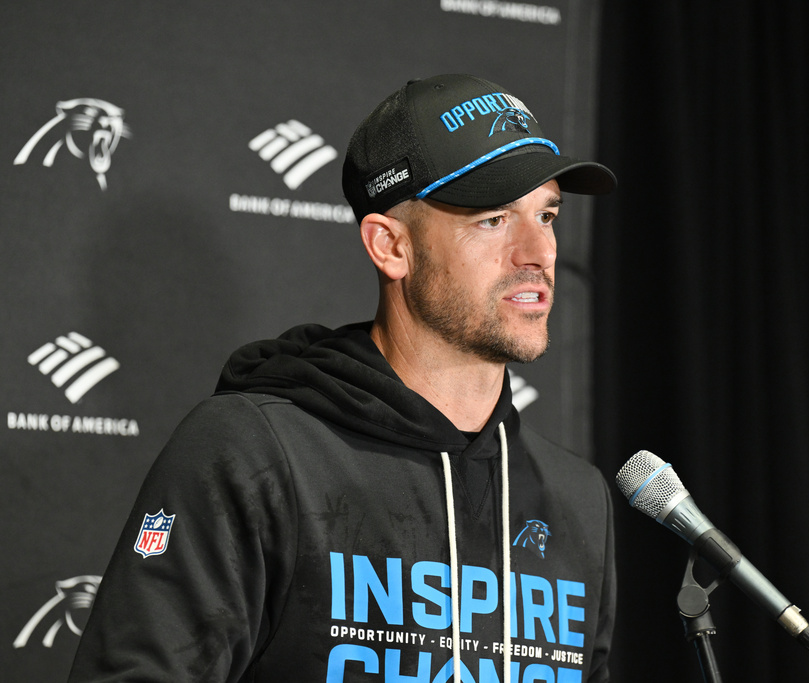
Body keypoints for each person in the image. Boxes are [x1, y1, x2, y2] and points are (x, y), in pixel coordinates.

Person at [68, 73, 618, 683]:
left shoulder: (577, 498)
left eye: (546, 215)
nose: (537, 251)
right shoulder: (250, 452)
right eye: (493, 219)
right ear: (391, 246)